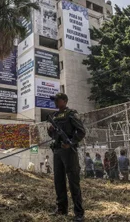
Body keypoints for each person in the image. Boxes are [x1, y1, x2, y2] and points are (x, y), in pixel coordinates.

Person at [47, 93, 86, 222]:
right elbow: (52, 135)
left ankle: (79, 213)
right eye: (55, 101)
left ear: (64, 101)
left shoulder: (71, 114)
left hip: (68, 151)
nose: (55, 103)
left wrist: (71, 142)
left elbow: (81, 131)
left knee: (73, 182)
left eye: (57, 100)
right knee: (59, 181)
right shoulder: (54, 116)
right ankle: (61, 209)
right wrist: (50, 130)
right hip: (57, 151)